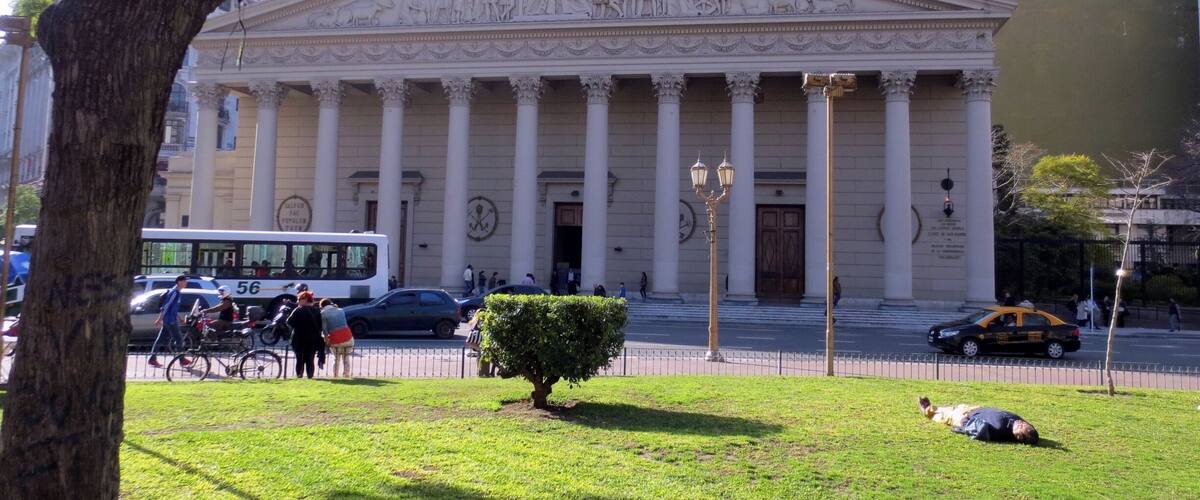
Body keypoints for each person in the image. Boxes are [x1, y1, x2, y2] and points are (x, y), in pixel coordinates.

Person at [918, 396, 1039, 445]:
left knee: (945, 416)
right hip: (974, 409)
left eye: (1020, 426)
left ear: (1018, 436)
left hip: (965, 417)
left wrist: (964, 421)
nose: (1020, 422)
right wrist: (1027, 427)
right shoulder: (1018, 424)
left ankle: (927, 410)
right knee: (950, 409)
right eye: (1023, 423)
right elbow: (1033, 434)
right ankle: (932, 408)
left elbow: (980, 430)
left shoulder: (999, 430)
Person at [149, 275, 188, 367]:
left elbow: (172, 308)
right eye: (185, 281)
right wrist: (159, 319)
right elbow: (166, 306)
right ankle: (181, 359)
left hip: (170, 319)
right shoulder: (174, 292)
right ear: (179, 282)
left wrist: (179, 318)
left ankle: (152, 359)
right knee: (179, 339)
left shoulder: (177, 292)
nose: (186, 283)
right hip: (170, 321)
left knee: (160, 340)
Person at [286, 291, 325, 379]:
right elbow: (321, 326)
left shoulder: (298, 310)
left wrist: (298, 326)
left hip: (298, 338)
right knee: (310, 359)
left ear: (305, 300)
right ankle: (310, 376)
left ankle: (299, 375)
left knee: (299, 359)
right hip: (313, 339)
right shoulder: (317, 311)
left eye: (299, 299)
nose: (298, 301)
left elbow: (289, 322)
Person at [319, 298, 354, 378]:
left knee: (336, 359)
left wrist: (326, 340)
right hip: (347, 336)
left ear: (322, 306)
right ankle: (346, 375)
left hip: (335, 339)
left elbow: (324, 329)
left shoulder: (323, 314)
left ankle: (336, 375)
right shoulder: (341, 310)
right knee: (346, 358)